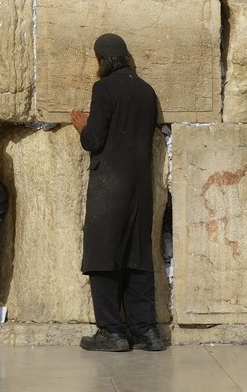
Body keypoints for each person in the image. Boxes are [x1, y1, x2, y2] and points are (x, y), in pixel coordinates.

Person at [70, 32, 166, 354]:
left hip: (109, 186)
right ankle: (147, 331)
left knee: (103, 256)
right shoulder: (147, 92)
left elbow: (95, 140)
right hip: (139, 188)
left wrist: (82, 126)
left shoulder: (104, 88)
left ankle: (111, 331)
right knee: (137, 257)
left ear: (104, 60)